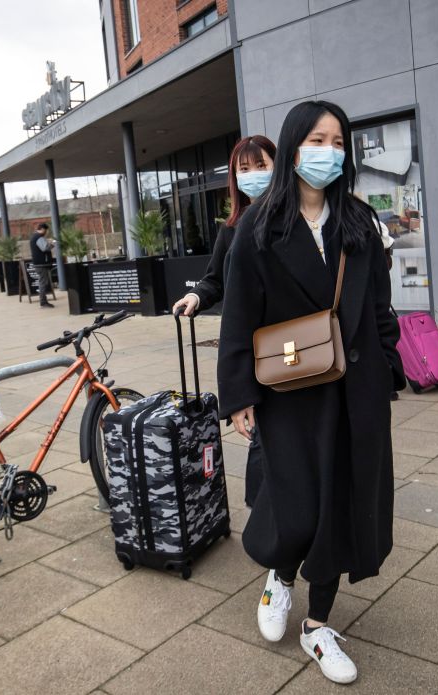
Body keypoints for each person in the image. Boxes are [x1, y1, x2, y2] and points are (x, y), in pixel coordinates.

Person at [217, 100, 404, 684]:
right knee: (296, 503)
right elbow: (240, 315)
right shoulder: (259, 225)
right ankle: (280, 572)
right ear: (294, 146)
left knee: (345, 505)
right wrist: (239, 393)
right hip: (291, 387)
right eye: (318, 139)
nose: (329, 151)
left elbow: (378, 305)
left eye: (339, 141)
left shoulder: (359, 220)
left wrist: (389, 365)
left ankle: (319, 624)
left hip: (358, 387)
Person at [172, 134, 277, 508]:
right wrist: (197, 295)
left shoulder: (293, 219)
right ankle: (268, 524)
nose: (252, 175)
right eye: (243, 169)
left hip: (291, 346)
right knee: (263, 438)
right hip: (249, 346)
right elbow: (216, 277)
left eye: (261, 166)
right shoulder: (232, 227)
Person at [30, 222, 55, 308]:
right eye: (46, 230)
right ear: (43, 229)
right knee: (43, 282)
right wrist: (52, 244)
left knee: (42, 282)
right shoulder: (39, 237)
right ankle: (43, 302)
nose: (47, 232)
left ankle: (43, 301)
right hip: (41, 264)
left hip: (38, 263)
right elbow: (44, 248)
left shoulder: (34, 237)